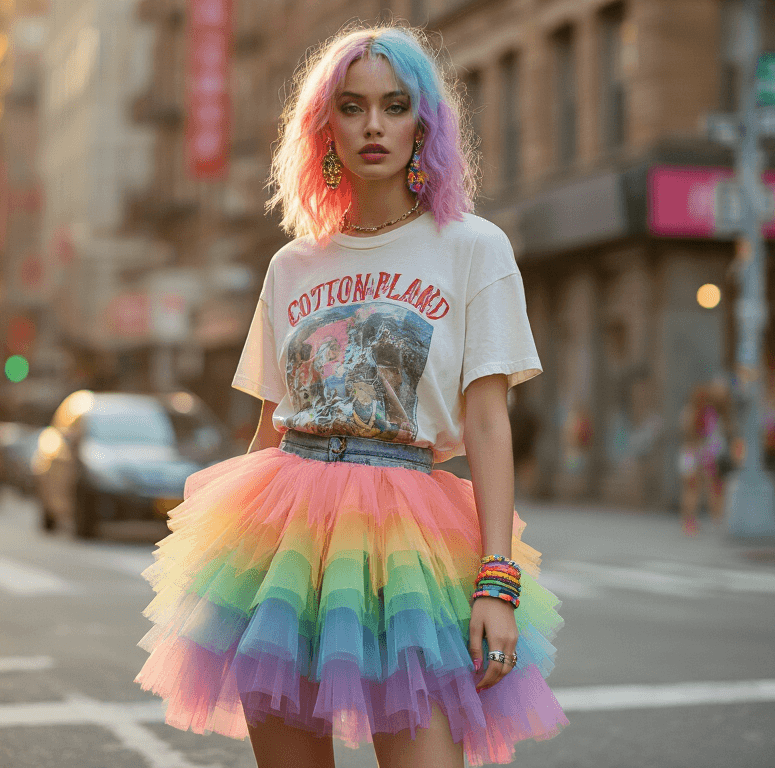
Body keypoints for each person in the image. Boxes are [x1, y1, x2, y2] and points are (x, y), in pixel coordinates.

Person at [134, 25, 566, 768]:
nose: (373, 125)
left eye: (395, 106)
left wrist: (498, 583)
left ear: (423, 123)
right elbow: (269, 428)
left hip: (410, 539)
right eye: (353, 106)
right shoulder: (292, 264)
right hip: (286, 541)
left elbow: (489, 426)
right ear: (324, 125)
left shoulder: (473, 248)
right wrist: (232, 576)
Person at [677, 382, 728, 535]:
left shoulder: (687, 411)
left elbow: (684, 432)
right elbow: (712, 437)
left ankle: (688, 522)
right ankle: (715, 519)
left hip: (687, 454)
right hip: (701, 454)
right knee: (707, 488)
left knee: (689, 490)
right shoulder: (708, 414)